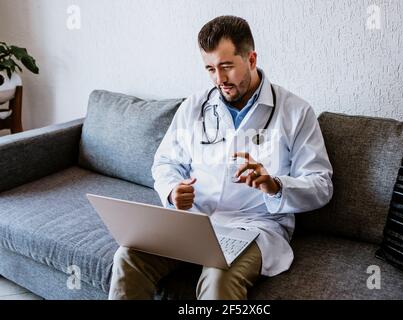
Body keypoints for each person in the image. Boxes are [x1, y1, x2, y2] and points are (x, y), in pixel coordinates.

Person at [109, 15, 333, 300]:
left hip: (254, 226)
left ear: (251, 59)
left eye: (227, 67)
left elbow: (321, 185)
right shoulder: (194, 106)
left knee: (218, 279)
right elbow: (165, 162)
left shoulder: (295, 112)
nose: (219, 79)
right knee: (129, 256)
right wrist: (172, 190)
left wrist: (274, 185)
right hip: (195, 222)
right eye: (210, 69)